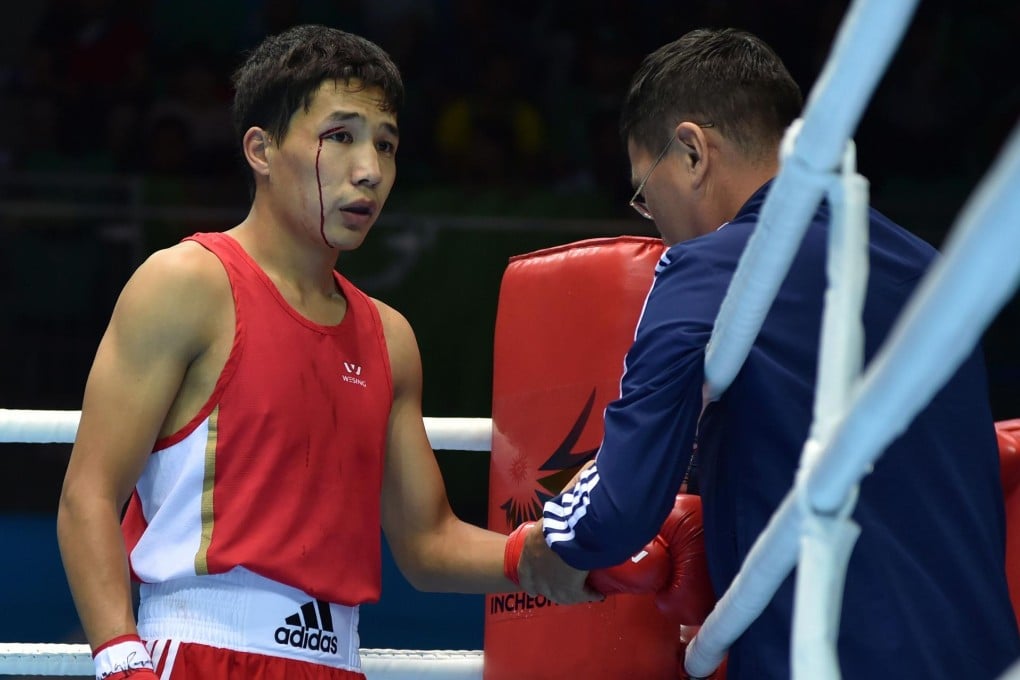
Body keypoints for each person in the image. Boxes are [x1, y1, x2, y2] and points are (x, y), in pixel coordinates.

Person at [513, 28, 1020, 679]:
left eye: (646, 190)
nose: (652, 218)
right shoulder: (929, 271)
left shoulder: (709, 269)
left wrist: (548, 542)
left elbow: (619, 506)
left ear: (693, 152)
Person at [55, 24, 543, 680]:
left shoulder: (389, 337)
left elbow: (427, 543)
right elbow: (88, 493)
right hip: (197, 655)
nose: (369, 170)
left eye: (386, 144)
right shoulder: (187, 285)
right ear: (261, 148)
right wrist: (119, 660)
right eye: (339, 137)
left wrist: (551, 556)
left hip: (337, 663)